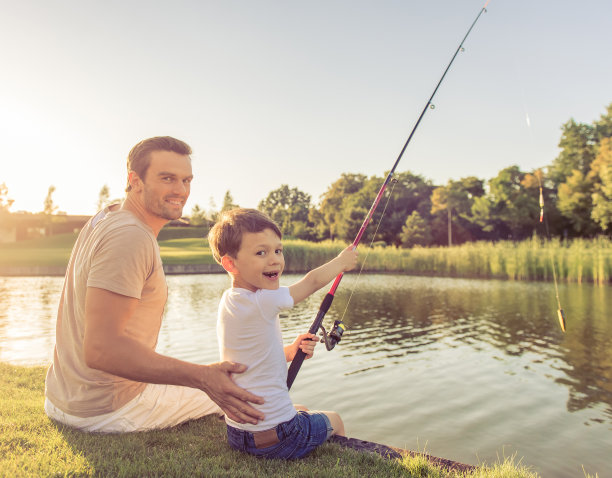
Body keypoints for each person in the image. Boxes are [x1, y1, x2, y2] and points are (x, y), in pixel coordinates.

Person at [44, 136, 265, 433]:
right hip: (108, 409)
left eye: (186, 180)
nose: (181, 190)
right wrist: (202, 376)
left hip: (63, 399)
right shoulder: (131, 237)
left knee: (235, 384)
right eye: (167, 178)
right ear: (135, 180)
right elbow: (100, 349)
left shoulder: (107, 216)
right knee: (260, 404)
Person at [208, 208, 358, 459]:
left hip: (238, 434)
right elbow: (310, 282)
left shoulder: (231, 300)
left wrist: (291, 351)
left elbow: (254, 358)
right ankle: (340, 460)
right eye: (261, 252)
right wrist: (341, 262)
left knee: (302, 408)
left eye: (278, 250)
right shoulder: (263, 301)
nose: (275, 259)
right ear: (230, 263)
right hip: (278, 438)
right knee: (336, 419)